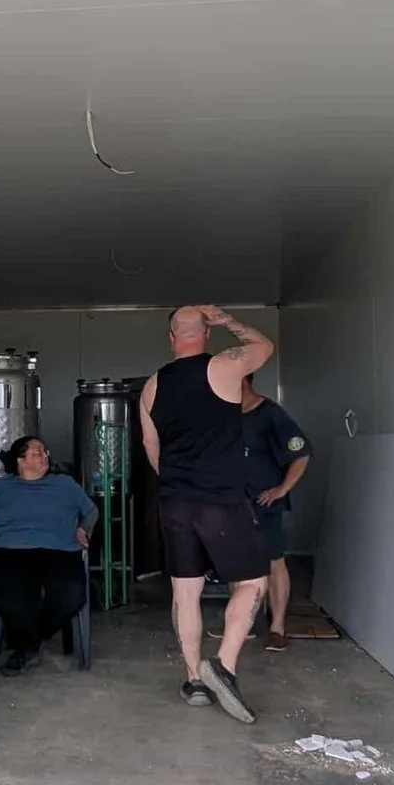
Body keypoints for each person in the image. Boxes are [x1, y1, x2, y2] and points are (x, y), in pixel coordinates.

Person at [139, 306, 274, 722]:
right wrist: (230, 321)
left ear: (171, 337)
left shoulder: (152, 386)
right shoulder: (225, 366)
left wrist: (179, 482)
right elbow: (264, 346)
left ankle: (194, 680)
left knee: (185, 593)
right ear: (207, 334)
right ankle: (223, 666)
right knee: (253, 581)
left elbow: (151, 448)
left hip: (175, 502)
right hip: (221, 501)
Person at [0, 436, 98, 673]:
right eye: (37, 452)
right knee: (11, 597)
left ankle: (27, 644)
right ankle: (28, 644)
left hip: (60, 550)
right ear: (20, 460)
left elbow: (91, 511)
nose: (45, 456)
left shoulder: (65, 485)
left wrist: (83, 529)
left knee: (72, 595)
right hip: (11, 551)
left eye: (45, 451)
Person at [237, 372, 310, 650]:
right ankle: (242, 624)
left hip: (264, 504)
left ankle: (277, 627)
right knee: (238, 564)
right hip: (234, 503)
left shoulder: (270, 414)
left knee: (273, 562)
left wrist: (281, 489)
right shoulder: (226, 415)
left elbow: (301, 454)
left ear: (243, 379)